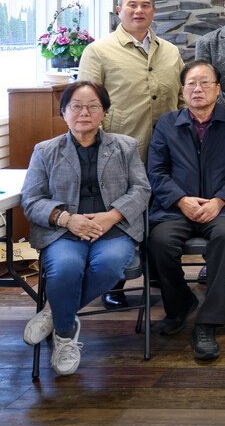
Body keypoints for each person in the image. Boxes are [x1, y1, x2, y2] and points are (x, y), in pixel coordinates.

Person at [20, 82, 150, 376]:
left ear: (104, 111)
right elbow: (31, 200)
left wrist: (110, 216)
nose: (84, 112)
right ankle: (66, 333)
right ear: (63, 112)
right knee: (65, 268)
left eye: (93, 106)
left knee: (110, 265)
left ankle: (55, 313)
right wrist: (67, 219)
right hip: (64, 232)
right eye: (76, 106)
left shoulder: (125, 146)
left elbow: (141, 190)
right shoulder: (45, 151)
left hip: (113, 229)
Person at [77, 0, 183, 309]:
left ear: (154, 10)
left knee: (161, 214)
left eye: (146, 5)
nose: (139, 10)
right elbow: (86, 103)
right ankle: (116, 282)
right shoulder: (98, 51)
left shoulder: (171, 52)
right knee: (121, 215)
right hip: (119, 154)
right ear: (118, 9)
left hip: (166, 153)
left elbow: (180, 99)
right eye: (132, 4)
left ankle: (160, 275)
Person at [147, 60, 225, 361]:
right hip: (176, 208)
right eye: (191, 83)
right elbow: (156, 172)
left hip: (222, 207)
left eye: (205, 83)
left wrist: (219, 200)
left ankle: (207, 323)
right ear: (182, 90)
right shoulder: (167, 123)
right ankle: (180, 305)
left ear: (218, 89)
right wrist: (181, 200)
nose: (198, 89)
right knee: (159, 241)